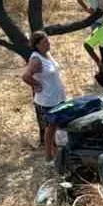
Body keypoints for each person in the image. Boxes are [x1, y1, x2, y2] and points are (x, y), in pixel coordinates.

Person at [21, 31, 66, 161]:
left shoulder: (47, 54)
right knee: (50, 129)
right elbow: (26, 76)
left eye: (48, 41)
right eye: (44, 42)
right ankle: (48, 156)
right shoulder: (36, 59)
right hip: (47, 100)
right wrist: (36, 85)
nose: (48, 44)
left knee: (57, 126)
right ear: (37, 45)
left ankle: (58, 153)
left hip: (57, 96)